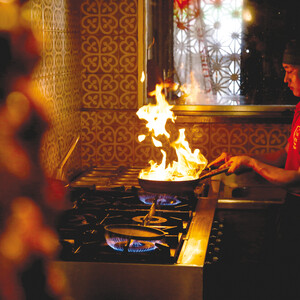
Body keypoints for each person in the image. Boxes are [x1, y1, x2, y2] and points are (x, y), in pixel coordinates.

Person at [208, 39, 300, 299]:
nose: (285, 79)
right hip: (291, 209)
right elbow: (285, 156)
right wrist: (242, 158)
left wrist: (250, 163)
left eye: (290, 70)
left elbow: (296, 178)